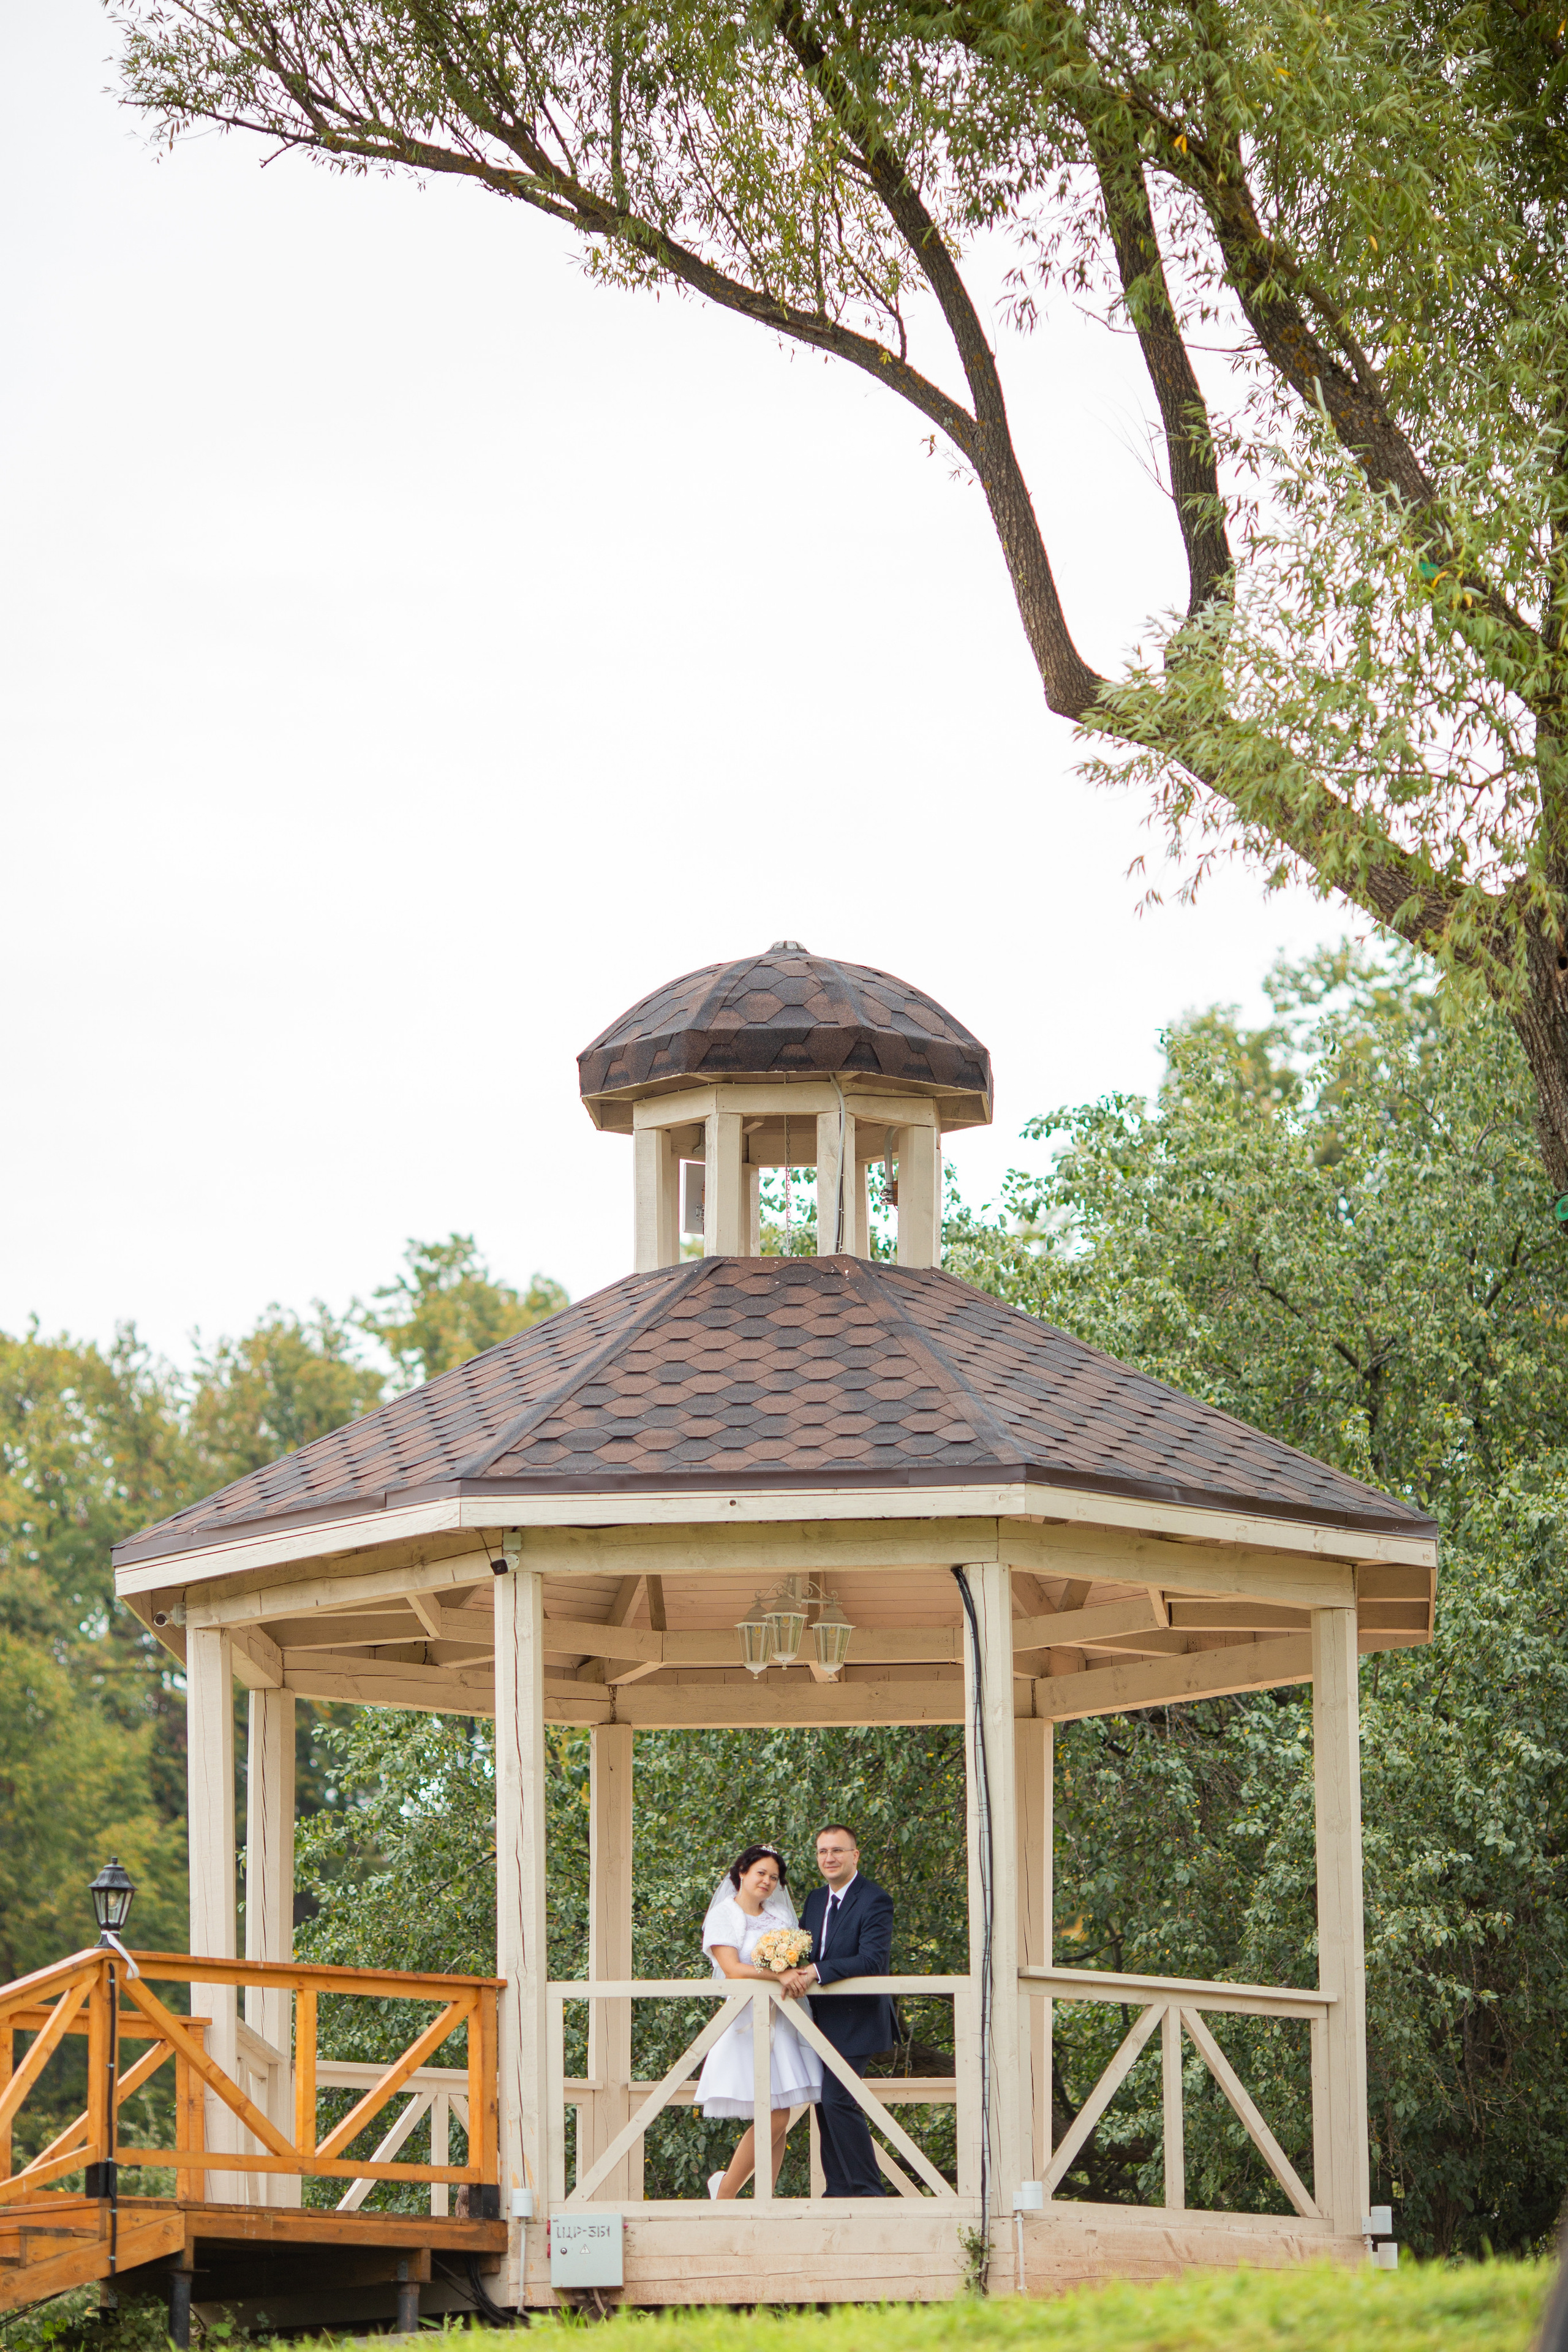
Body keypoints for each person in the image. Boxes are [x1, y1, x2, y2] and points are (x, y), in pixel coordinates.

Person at [695, 1844, 821, 2199]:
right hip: (745, 2021)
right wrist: (779, 1974)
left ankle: (763, 2196)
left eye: (774, 1877)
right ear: (742, 1874)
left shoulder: (781, 1918)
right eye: (760, 1873)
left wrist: (789, 1973)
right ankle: (725, 2194)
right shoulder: (725, 1914)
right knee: (776, 2115)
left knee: (780, 2113)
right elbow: (733, 1970)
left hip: (781, 2019)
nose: (767, 1881)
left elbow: (795, 1960)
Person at [780, 1825, 897, 2198]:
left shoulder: (875, 1899)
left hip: (859, 2019)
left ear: (855, 1855)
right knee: (823, 2103)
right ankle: (838, 2189)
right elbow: (805, 1951)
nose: (828, 1858)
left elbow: (873, 1960)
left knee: (838, 2100)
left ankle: (868, 2190)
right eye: (822, 1852)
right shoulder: (816, 1900)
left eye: (837, 1851)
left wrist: (816, 1972)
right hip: (820, 2020)